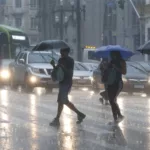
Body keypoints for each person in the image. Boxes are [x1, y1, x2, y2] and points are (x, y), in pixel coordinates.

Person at [50, 47, 86, 126]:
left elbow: (70, 73)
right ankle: (78, 114)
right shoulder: (60, 60)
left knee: (63, 101)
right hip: (62, 82)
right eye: (60, 52)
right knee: (61, 101)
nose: (61, 54)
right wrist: (54, 66)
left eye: (62, 52)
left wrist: (62, 67)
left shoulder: (70, 61)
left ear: (67, 52)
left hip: (67, 82)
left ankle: (58, 119)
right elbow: (58, 70)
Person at [107, 51, 126, 124]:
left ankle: (120, 115)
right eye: (111, 54)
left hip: (117, 83)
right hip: (110, 83)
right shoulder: (111, 61)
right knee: (111, 101)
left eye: (113, 54)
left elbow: (124, 72)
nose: (112, 56)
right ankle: (115, 118)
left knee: (113, 99)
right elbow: (107, 71)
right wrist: (105, 67)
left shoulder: (122, 62)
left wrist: (116, 67)